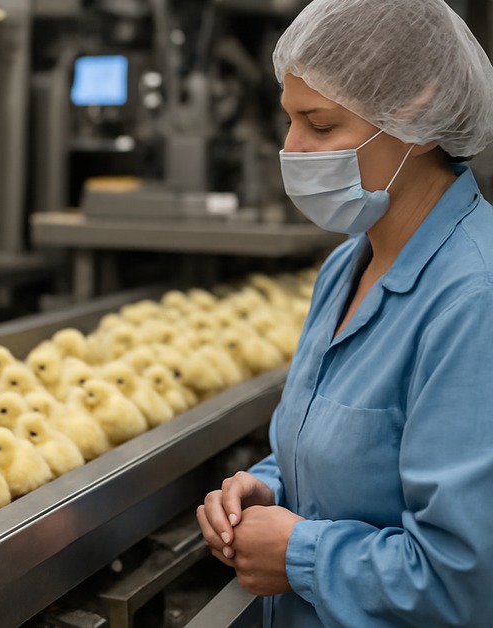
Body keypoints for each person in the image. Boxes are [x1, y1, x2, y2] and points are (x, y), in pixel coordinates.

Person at [196, 0, 493, 625]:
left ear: (418, 113)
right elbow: (355, 458)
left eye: (321, 126)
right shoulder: (347, 267)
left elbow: (468, 582)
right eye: (290, 121)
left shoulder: (475, 299)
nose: (293, 150)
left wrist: (300, 554)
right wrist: (271, 485)